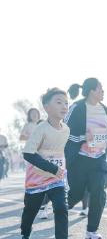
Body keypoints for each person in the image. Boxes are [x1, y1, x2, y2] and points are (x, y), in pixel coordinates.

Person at [64, 78, 107, 239]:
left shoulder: (105, 109)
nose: (103, 91)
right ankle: (61, 207)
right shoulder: (77, 107)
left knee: (98, 193)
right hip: (79, 159)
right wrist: (82, 137)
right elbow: (63, 130)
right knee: (77, 193)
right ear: (92, 91)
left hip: (98, 158)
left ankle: (91, 231)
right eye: (100, 89)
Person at [20, 88, 69, 239]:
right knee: (30, 212)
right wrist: (52, 168)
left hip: (56, 178)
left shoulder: (66, 129)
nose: (64, 106)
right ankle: (25, 233)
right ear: (47, 108)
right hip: (37, 178)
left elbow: (60, 153)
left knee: (61, 208)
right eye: (59, 102)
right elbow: (28, 153)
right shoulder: (41, 129)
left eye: (66, 103)